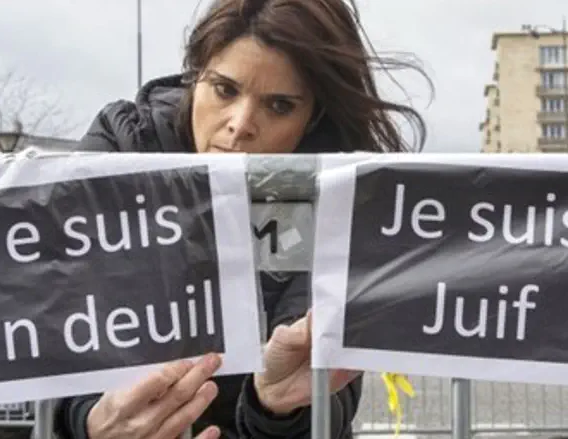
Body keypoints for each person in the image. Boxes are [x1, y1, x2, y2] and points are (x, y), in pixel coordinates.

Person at [53, 0, 431, 438]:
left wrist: (277, 407)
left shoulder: (328, 194)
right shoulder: (122, 146)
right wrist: (87, 422)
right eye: (225, 90)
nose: (241, 124)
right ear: (197, 75)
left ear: (312, 120)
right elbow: (35, 323)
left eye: (279, 106)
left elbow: (328, 397)